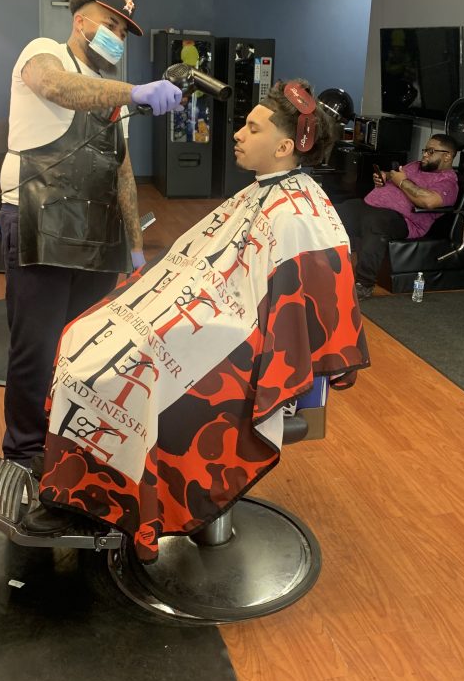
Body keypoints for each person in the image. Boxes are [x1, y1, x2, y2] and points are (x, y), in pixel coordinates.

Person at [21, 78, 370, 559]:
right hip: (212, 319)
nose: (238, 135)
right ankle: (78, 475)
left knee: (114, 368)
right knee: (86, 334)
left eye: (252, 128)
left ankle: (94, 497)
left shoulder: (299, 214)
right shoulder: (266, 193)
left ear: (285, 146)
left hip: (243, 350)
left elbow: (285, 320)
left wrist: (180, 326)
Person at [0, 0, 182, 472]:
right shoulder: (44, 53)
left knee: (83, 348)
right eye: (110, 25)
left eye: (124, 32)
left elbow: (120, 169)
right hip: (39, 220)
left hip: (95, 234)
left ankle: (69, 436)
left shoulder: (111, 96)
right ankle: (24, 452)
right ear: (80, 21)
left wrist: (137, 248)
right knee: (34, 348)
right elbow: (56, 87)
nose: (116, 38)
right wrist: (136, 90)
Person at [337, 133, 459, 299]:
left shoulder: (448, 182)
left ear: (447, 156)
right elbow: (395, 175)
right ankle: (322, 269)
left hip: (403, 220)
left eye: (431, 151)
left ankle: (364, 284)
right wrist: (385, 176)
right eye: (425, 150)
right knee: (335, 210)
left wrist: (402, 181)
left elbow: (429, 201)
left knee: (376, 222)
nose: (424, 154)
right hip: (369, 206)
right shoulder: (415, 165)